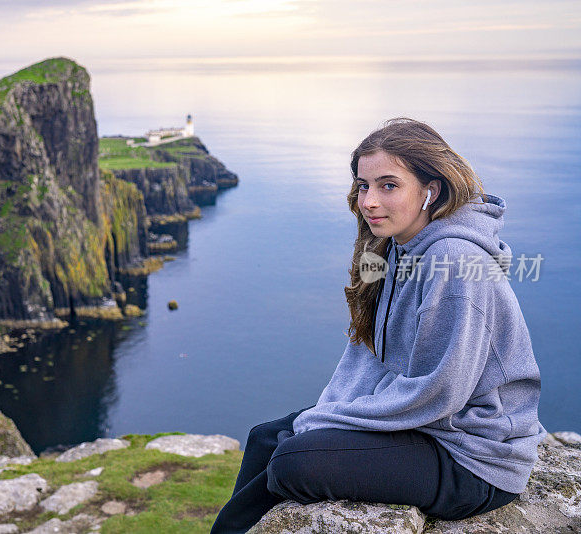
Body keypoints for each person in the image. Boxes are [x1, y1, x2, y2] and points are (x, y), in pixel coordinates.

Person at [210, 117, 547, 533]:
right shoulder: (395, 249)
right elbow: (368, 358)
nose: (368, 201)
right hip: (428, 426)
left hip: (472, 458)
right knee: (266, 436)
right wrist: (328, 414)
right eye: (364, 185)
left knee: (293, 461)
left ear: (431, 190)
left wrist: (322, 425)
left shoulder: (456, 263)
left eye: (388, 185)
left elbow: (440, 391)